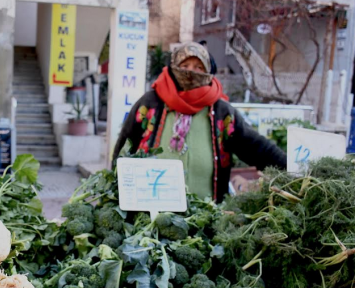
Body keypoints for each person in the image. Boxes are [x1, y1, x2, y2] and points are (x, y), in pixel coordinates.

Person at [112, 42, 285, 202]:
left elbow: (255, 147)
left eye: (198, 67)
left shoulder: (222, 112)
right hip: (150, 213)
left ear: (208, 71)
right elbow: (124, 147)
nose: (190, 72)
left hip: (206, 216)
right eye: (184, 66)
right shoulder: (150, 104)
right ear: (173, 68)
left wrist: (289, 168)